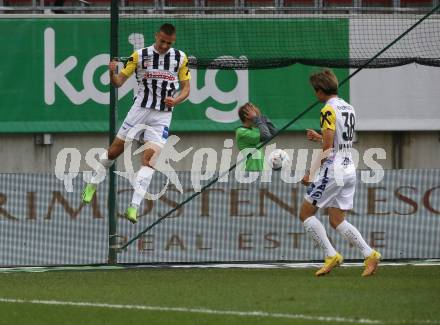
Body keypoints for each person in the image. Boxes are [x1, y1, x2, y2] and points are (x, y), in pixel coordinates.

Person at [82, 23, 191, 224]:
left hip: (162, 116)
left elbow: (186, 89)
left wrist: (176, 100)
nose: (165, 45)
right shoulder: (139, 56)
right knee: (114, 152)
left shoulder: (180, 58)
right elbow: (118, 82)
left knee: (150, 161)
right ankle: (92, 184)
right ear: (156, 36)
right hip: (139, 110)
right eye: (162, 41)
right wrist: (111, 72)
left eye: (169, 42)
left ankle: (133, 207)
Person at [300, 69, 381, 277]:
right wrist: (320, 137)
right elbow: (341, 141)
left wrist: (310, 172)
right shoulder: (348, 107)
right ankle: (369, 254)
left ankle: (331, 255)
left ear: (320, 90)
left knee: (306, 213)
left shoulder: (328, 110)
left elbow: (327, 149)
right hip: (348, 167)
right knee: (336, 219)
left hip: (333, 170)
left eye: (314, 90)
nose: (314, 94)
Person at [235, 103, 277, 172]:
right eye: (254, 112)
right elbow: (266, 136)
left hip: (260, 171)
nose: (256, 113)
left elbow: (273, 132)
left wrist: (261, 117)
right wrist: (256, 119)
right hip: (249, 172)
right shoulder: (241, 132)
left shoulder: (254, 129)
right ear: (247, 116)